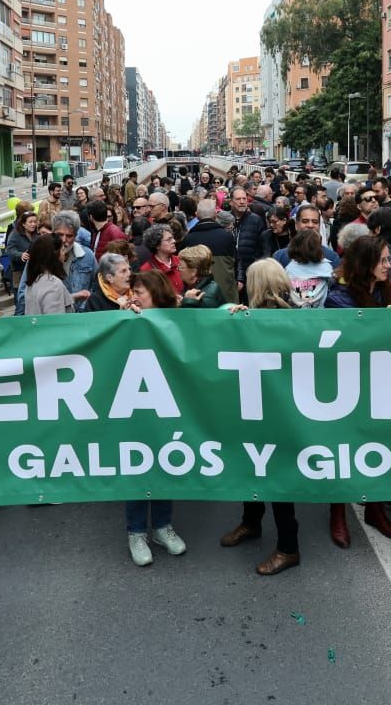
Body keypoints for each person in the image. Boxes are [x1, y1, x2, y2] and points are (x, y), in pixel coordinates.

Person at [219, 259, 303, 575]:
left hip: (280, 414)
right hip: (252, 410)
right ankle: (251, 523)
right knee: (251, 468)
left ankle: (288, 548)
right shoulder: (248, 316)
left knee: (278, 481)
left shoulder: (292, 320)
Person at [324, 233, 391, 542]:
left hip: (380, 381)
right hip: (346, 383)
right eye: (382, 260)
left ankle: (375, 508)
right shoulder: (337, 299)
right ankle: (338, 513)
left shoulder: (388, 291)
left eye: (388, 259)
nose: (388, 265)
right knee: (343, 450)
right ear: (365, 263)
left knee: (378, 448)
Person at [121, 270, 186, 566]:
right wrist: (123, 315)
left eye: (140, 291)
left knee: (164, 463)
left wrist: (232, 310)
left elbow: (213, 321)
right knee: (137, 465)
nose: (134, 295)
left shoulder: (178, 317)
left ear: (156, 293)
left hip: (167, 404)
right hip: (134, 406)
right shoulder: (127, 317)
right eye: (132, 289)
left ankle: (162, 527)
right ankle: (136, 532)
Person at [182, 199, 239, 304]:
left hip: (198, 296)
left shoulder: (188, 239)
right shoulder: (226, 236)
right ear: (215, 215)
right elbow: (235, 263)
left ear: (197, 215)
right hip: (226, 295)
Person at [24, 233, 75, 315]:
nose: (64, 254)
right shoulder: (53, 285)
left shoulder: (34, 281)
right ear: (54, 255)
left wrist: (74, 296)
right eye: (62, 250)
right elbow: (55, 322)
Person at [283, 229, 333, 308]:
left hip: (295, 314)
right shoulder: (326, 267)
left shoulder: (289, 268)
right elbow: (331, 284)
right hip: (320, 314)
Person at [229, 186, 266, 295]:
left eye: (244, 199)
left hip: (251, 273)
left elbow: (262, 247)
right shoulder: (225, 219)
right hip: (231, 273)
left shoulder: (256, 220)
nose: (242, 202)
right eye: (238, 199)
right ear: (231, 202)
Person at [138, 224, 184, 295]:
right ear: (157, 245)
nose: (174, 241)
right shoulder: (147, 270)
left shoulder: (181, 261)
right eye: (169, 239)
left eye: (173, 238)